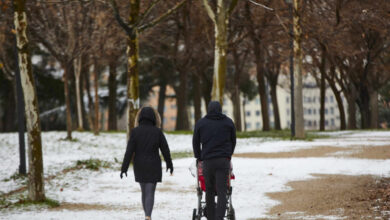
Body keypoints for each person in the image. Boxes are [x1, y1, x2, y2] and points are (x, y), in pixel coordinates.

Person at [120, 106, 173, 220]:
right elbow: (165, 149)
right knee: (150, 191)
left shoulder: (135, 132)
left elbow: (129, 151)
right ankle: (148, 215)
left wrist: (124, 168)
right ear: (153, 118)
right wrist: (169, 164)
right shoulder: (157, 132)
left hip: (140, 165)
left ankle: (147, 215)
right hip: (153, 164)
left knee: (144, 191)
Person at [193, 101, 236, 220]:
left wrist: (199, 156)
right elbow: (233, 140)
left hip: (207, 161)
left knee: (210, 190)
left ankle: (211, 217)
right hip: (223, 160)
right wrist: (229, 154)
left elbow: (195, 141)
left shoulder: (201, 123)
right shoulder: (228, 122)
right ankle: (219, 218)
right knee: (222, 191)